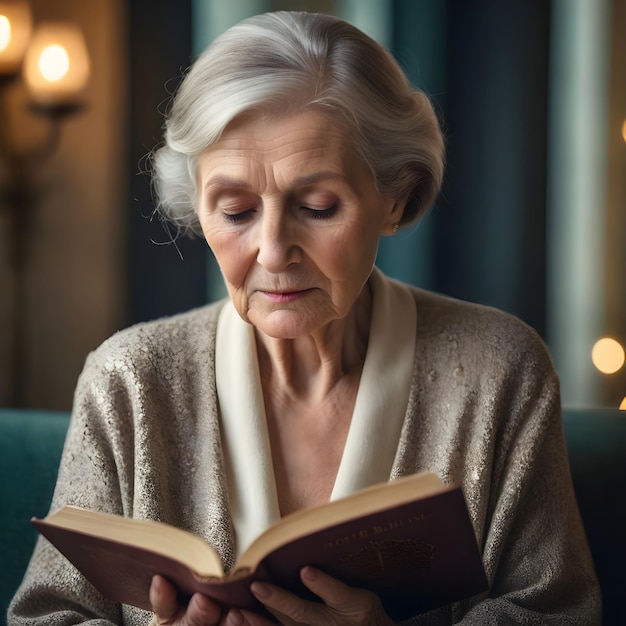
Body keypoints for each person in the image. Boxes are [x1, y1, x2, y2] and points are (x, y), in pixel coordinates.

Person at [8, 10, 601, 626]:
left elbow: (560, 613)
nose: (272, 252)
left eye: (318, 207)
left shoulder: (499, 369)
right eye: (235, 211)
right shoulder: (127, 381)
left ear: (394, 196)